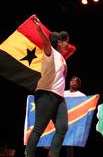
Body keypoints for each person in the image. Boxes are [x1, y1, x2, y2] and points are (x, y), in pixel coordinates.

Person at [25, 15, 73, 157]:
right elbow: (46, 42)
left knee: (62, 128)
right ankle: (29, 154)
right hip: (46, 94)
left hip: (59, 97)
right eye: (66, 42)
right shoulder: (50, 53)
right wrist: (40, 30)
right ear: (59, 42)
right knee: (39, 128)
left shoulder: (62, 58)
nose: (68, 45)